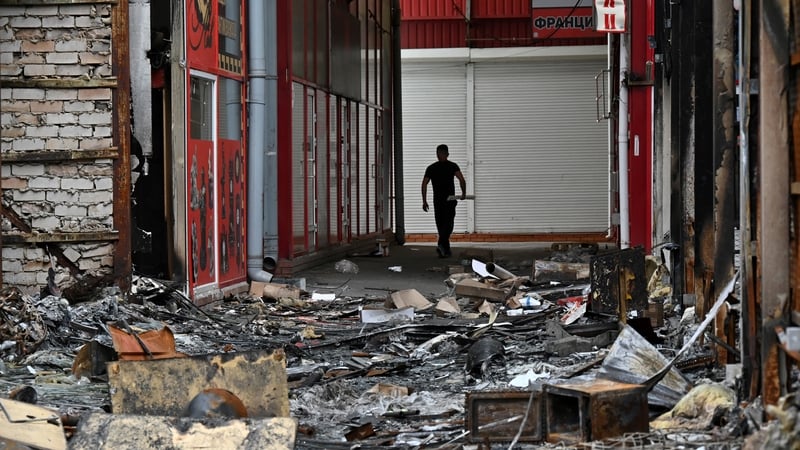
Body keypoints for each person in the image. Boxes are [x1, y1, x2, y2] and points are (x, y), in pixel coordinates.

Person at [421, 144, 466, 258]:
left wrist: (425, 201)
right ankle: (444, 246)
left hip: (441, 200)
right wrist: (463, 193)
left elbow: (424, 184)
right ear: (447, 154)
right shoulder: (452, 166)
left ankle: (443, 246)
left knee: (443, 224)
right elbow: (461, 179)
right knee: (447, 224)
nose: (439, 155)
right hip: (447, 200)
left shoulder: (432, 168)